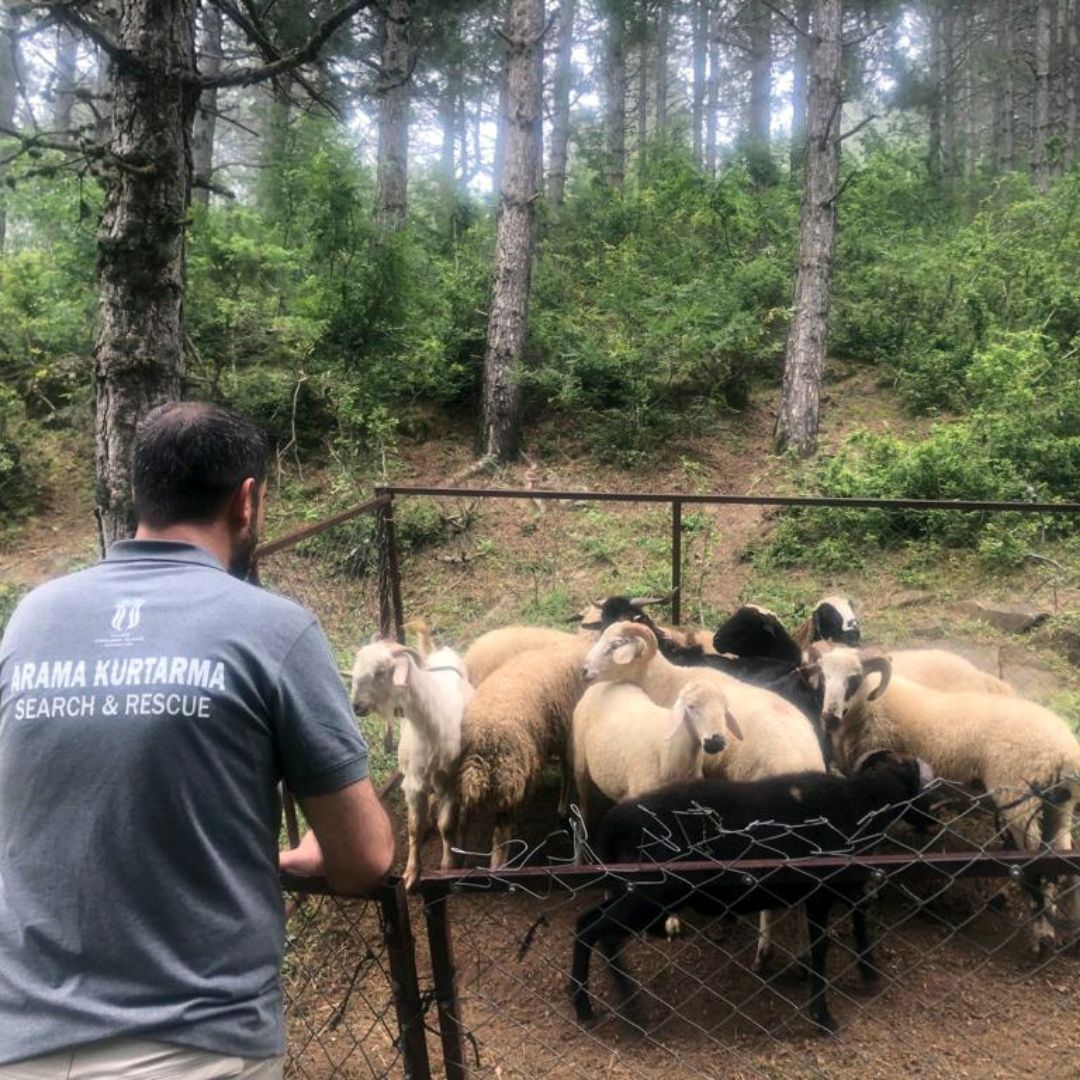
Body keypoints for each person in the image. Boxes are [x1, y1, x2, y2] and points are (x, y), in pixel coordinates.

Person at [0, 401, 394, 1079]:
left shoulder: (33, 617)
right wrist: (311, 849)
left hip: (21, 1036)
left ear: (139, 494)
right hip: (193, 1044)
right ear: (247, 502)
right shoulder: (273, 628)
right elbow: (363, 859)